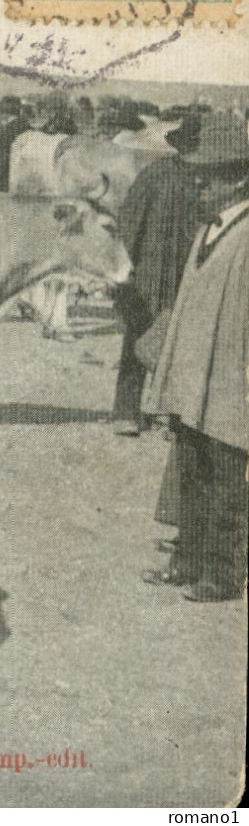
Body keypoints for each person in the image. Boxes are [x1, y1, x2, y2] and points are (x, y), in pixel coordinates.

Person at [139, 114, 249, 603]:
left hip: (230, 383)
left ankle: (222, 574)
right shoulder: (210, 228)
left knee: (225, 481)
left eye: (210, 174)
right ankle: (186, 560)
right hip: (194, 380)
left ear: (238, 178)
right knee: (191, 472)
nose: (199, 182)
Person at [111, 114, 204, 437]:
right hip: (183, 276)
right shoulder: (205, 182)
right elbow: (130, 224)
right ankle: (171, 418)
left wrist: (125, 268)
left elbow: (129, 224)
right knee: (180, 344)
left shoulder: (155, 173)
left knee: (141, 339)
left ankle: (128, 414)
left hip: (155, 274)